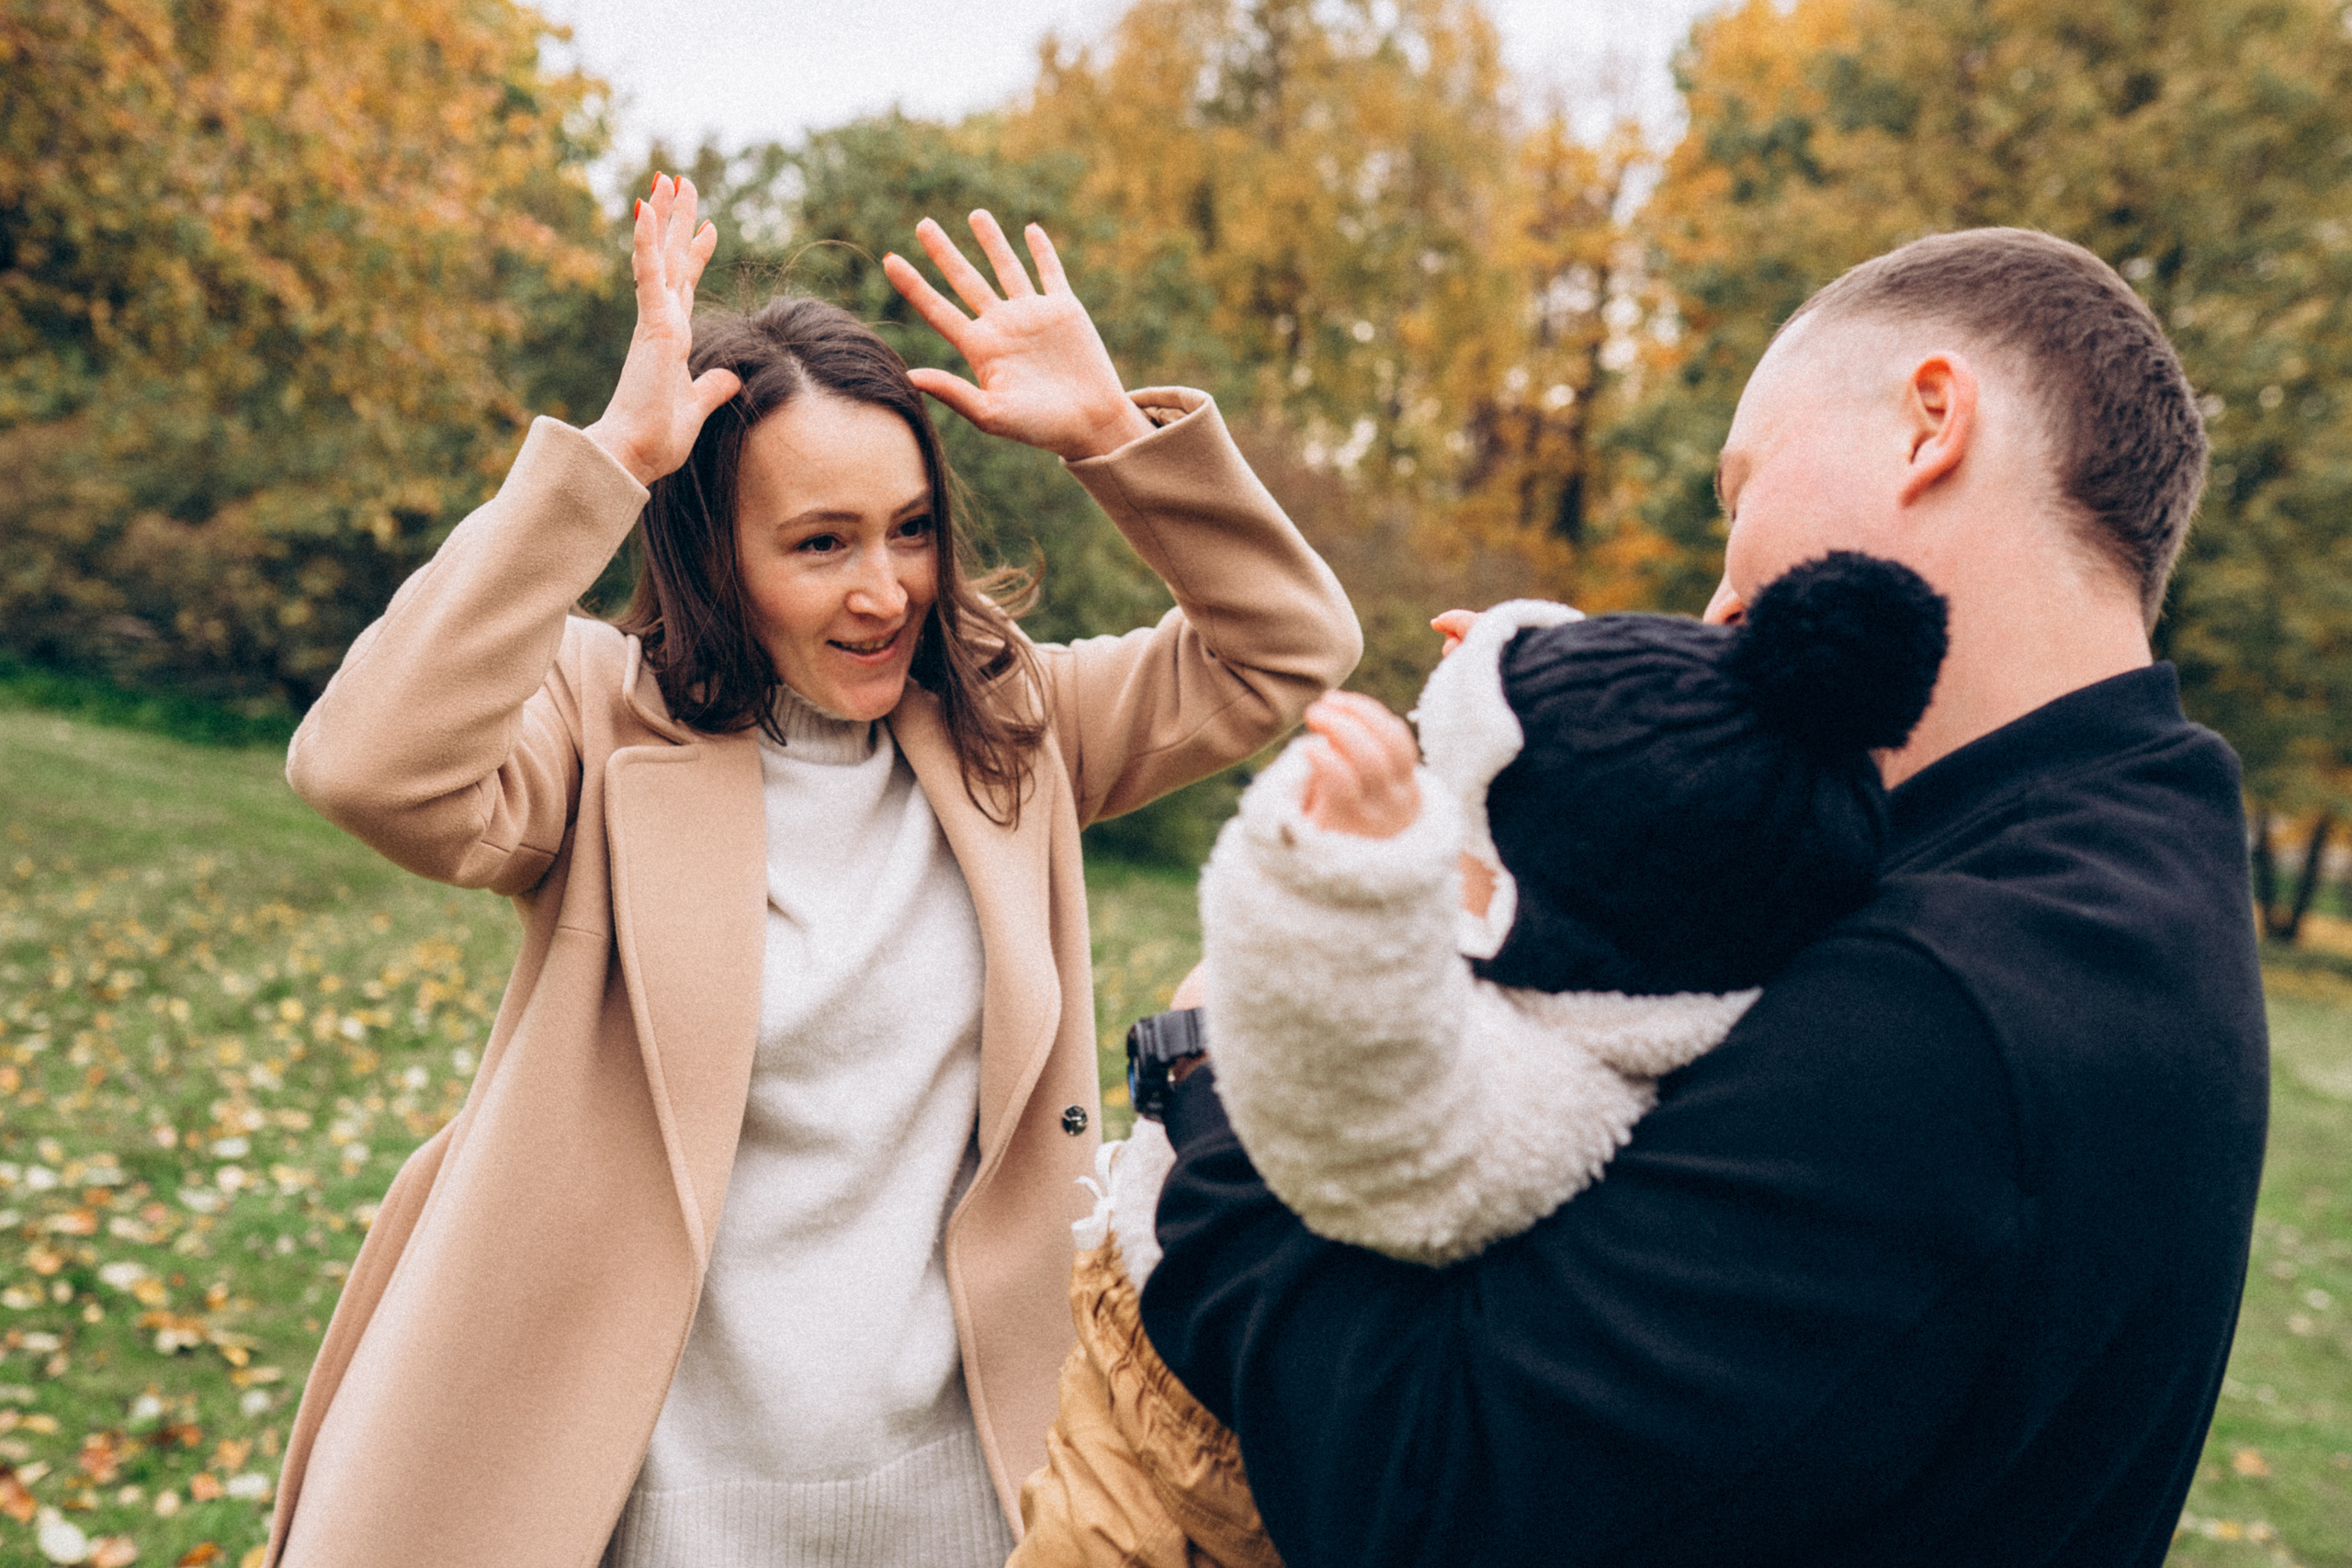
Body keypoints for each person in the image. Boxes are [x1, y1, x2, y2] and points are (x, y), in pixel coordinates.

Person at [262, 175, 1360, 1568]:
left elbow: (1285, 650)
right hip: (642, 1491)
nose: (885, 589)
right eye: (822, 542)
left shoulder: (1013, 723)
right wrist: (607, 460)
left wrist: (1110, 437)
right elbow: (365, 765)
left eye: (908, 529)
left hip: (969, 1486)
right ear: (715, 552)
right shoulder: (603, 730)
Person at [1137, 227, 2270, 1567]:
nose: (1722, 597)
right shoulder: (2131, 844)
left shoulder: (1958, 995)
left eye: (1739, 491)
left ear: (1929, 423)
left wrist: (1215, 1082)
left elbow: (1429, 1488)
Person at [1005, 553, 1952, 1567]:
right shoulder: (1627, 933)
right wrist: (1504, 655)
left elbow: (1378, 1117)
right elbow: (1585, 776)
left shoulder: (1546, 1080)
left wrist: (1346, 890)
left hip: (1187, 1448)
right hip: (1173, 1336)